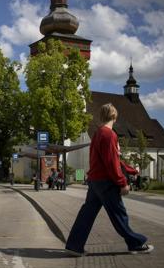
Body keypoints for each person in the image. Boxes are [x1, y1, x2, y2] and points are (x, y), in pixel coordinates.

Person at [65, 103, 153, 257]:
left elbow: (109, 160)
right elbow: (111, 163)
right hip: (106, 182)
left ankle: (74, 245)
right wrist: (122, 182)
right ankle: (135, 243)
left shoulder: (98, 133)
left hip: (94, 181)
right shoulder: (109, 134)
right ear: (114, 116)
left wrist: (132, 170)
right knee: (119, 214)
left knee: (87, 214)